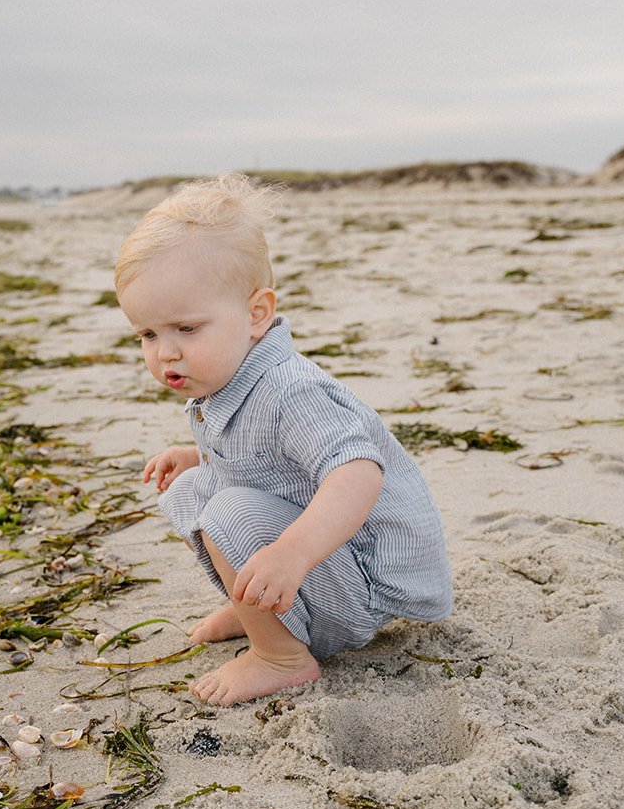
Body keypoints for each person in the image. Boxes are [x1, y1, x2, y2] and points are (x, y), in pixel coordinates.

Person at [114, 173, 453, 705]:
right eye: (148, 335)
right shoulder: (228, 381)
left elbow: (358, 473)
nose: (166, 353)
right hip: (326, 569)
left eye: (186, 328)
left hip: (364, 582)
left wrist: (290, 555)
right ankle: (259, 610)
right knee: (191, 490)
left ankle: (281, 655)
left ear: (256, 315)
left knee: (227, 511)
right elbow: (267, 463)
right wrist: (196, 455)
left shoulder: (291, 392)